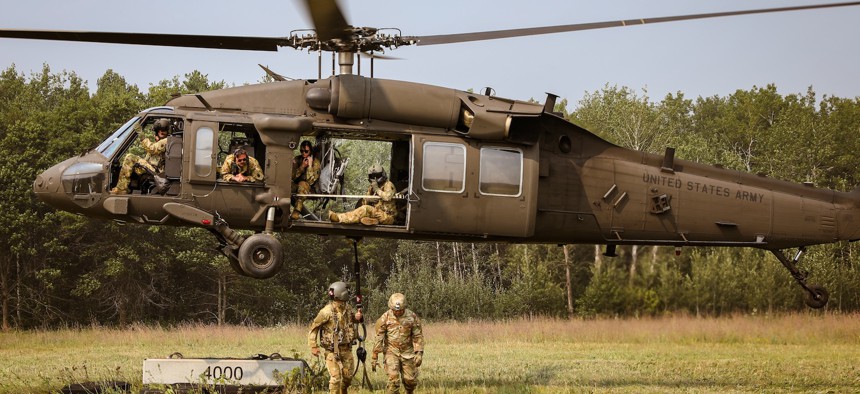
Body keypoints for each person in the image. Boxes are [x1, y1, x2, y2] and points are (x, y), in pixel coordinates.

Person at [308, 281, 363, 394]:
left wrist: (358, 317)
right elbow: (314, 328)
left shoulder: (347, 309)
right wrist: (313, 345)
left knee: (348, 377)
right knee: (335, 378)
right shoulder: (326, 312)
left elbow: (353, 319)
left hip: (346, 349)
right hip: (332, 351)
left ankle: (343, 390)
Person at [371, 293, 424, 394]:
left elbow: (418, 336)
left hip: (408, 352)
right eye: (395, 310)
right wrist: (374, 357)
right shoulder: (385, 318)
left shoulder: (412, 317)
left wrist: (419, 353)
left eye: (400, 310)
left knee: (410, 381)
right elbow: (379, 338)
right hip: (391, 351)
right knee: (393, 381)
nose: (398, 312)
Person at [110, 119, 170, 194]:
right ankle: (126, 188)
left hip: (156, 171)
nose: (162, 132)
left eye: (164, 131)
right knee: (131, 165)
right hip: (153, 168)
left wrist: (140, 134)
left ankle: (121, 189)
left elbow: (151, 149)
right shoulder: (161, 142)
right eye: (160, 131)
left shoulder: (167, 141)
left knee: (130, 157)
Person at [329, 163, 397, 225]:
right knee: (360, 212)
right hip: (376, 214)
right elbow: (363, 202)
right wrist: (368, 199)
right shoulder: (371, 188)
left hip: (388, 217)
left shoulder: (388, 184)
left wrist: (377, 190)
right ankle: (370, 222)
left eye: (377, 176)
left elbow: (387, 197)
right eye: (372, 176)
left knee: (366, 209)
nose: (375, 178)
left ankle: (339, 218)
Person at [291, 140, 321, 220]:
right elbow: (292, 177)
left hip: (308, 187)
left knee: (303, 184)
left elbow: (311, 181)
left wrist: (310, 166)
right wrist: (301, 167)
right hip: (295, 185)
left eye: (306, 151)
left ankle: (296, 212)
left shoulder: (316, 162)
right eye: (301, 151)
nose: (303, 153)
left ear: (310, 151)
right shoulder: (297, 159)